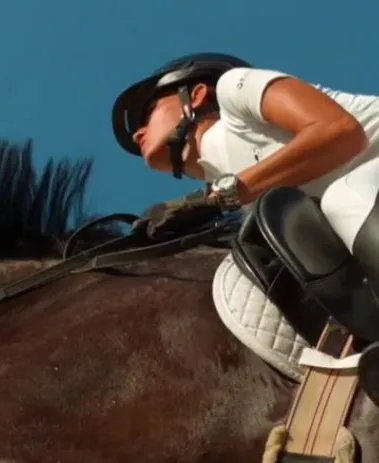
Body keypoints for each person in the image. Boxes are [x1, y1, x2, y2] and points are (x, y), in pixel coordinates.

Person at [111, 53, 379, 404]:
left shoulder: (235, 90)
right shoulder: (247, 204)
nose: (137, 133)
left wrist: (217, 198)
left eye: (148, 112)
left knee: (343, 198)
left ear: (196, 96)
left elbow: (340, 133)